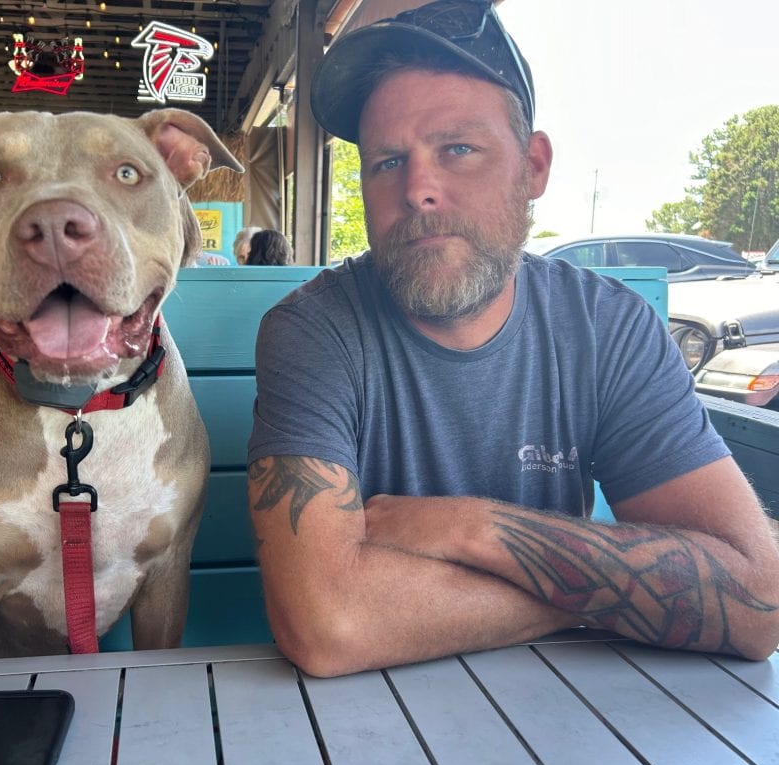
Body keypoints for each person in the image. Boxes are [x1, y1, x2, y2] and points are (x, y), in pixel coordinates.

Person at [247, 0, 779, 678]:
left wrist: (470, 529)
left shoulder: (605, 329)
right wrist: (597, 595)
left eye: (457, 149)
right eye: (386, 161)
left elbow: (757, 600)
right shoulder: (313, 331)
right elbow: (329, 624)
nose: (418, 189)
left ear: (533, 167)